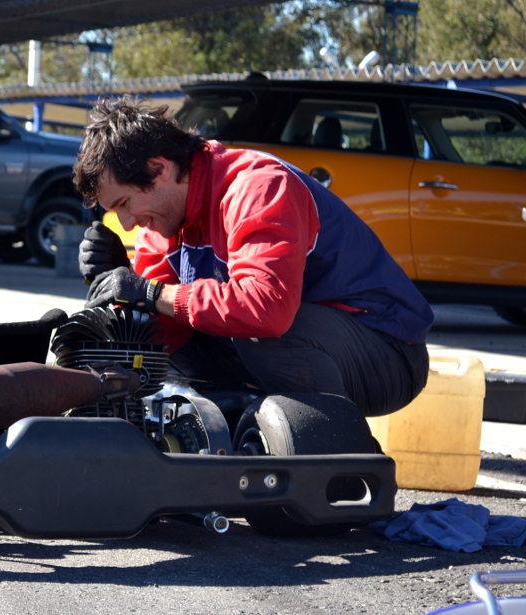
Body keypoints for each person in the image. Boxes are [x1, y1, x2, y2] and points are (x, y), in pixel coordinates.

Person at [73, 97, 433, 417]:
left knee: (254, 329)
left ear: (160, 169)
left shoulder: (257, 186)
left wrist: (150, 293)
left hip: (388, 352)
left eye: (124, 204)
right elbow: (157, 338)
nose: (127, 222)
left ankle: (341, 456)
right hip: (306, 343)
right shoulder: (160, 224)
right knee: (169, 335)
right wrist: (121, 289)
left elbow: (266, 309)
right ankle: (233, 438)